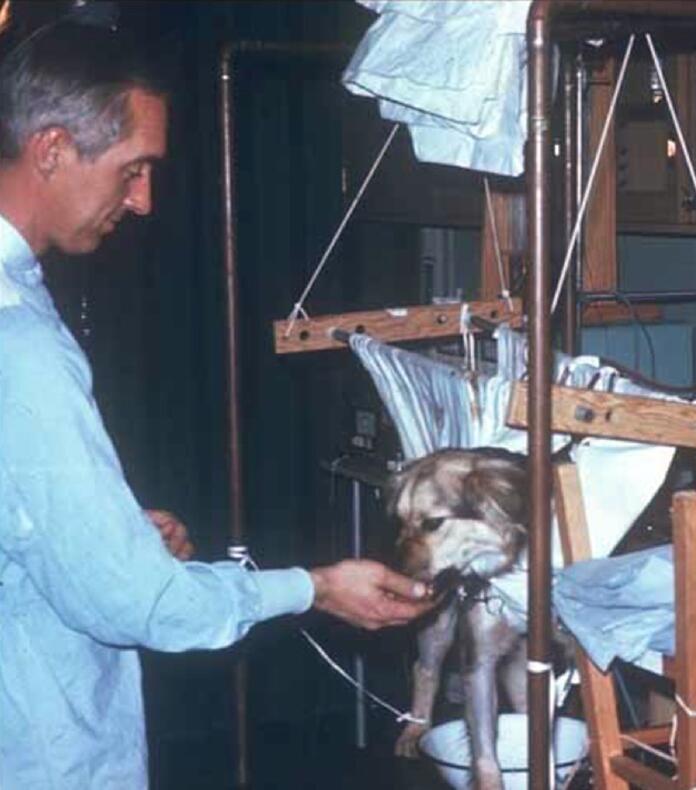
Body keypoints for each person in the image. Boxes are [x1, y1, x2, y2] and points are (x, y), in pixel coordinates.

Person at [0, 20, 434, 789]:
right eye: (134, 169)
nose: (143, 201)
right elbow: (143, 605)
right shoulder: (20, 343)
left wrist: (94, 532)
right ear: (53, 149)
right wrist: (318, 587)